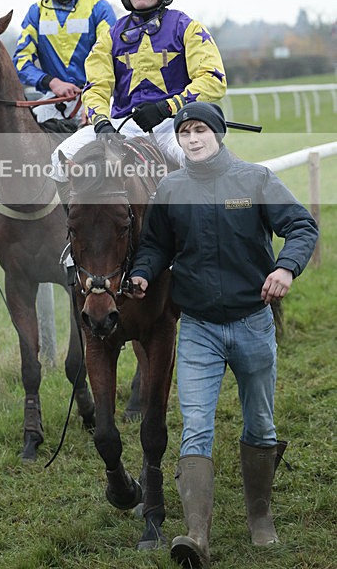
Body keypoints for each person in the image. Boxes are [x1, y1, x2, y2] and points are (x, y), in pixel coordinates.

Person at [127, 101, 319, 568]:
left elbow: (301, 225)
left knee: (261, 424)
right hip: (197, 329)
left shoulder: (254, 180)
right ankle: (196, 535)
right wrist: (143, 273)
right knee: (196, 427)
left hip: (253, 323)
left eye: (200, 131)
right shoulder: (171, 189)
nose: (193, 139)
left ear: (217, 133)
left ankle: (260, 517)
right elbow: (155, 245)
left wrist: (286, 268)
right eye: (185, 132)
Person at [51, 0, 227, 185]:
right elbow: (96, 87)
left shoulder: (188, 28)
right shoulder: (110, 36)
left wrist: (166, 108)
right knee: (59, 161)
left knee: (203, 161)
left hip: (173, 124)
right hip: (123, 124)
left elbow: (214, 79)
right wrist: (101, 122)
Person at [13, 0, 116, 124]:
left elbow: (110, 56)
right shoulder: (36, 11)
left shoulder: (98, 7)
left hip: (96, 95)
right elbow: (21, 62)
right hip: (54, 98)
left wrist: (96, 102)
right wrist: (52, 82)